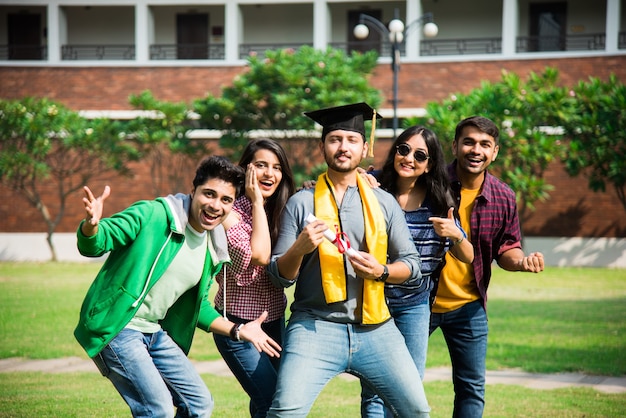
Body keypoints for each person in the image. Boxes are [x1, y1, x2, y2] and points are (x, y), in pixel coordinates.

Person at [74, 155, 282, 418]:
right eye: (209, 194)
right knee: (157, 409)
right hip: (118, 327)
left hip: (154, 331)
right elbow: (96, 243)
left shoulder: (213, 244)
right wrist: (91, 226)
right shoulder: (154, 214)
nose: (215, 206)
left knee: (199, 404)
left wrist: (238, 330)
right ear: (193, 190)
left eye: (225, 200)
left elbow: (200, 305)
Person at [265, 102, 430, 418]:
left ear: (364, 147)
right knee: (285, 411)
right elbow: (279, 275)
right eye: (335, 139)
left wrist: (382, 270)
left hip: (377, 328)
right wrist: (299, 248)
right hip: (315, 326)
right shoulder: (302, 204)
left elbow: (412, 265)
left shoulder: (384, 202)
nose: (343, 147)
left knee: (417, 410)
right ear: (322, 146)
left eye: (352, 140)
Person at [429, 116, 544, 417]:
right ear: (454, 146)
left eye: (484, 144)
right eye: (468, 142)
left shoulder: (503, 196)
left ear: (495, 152)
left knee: (471, 389)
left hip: (469, 306)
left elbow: (507, 247)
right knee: (400, 380)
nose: (475, 150)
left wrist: (521, 262)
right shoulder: (430, 182)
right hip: (419, 303)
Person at [360, 125, 475, 417]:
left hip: (414, 305)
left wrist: (456, 234)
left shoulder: (439, 199)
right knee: (373, 390)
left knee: (409, 385)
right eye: (403, 149)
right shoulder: (373, 187)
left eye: (420, 155)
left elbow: (468, 255)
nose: (409, 158)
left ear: (430, 165)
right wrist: (358, 177)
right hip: (375, 299)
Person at [213, 139, 295, 417]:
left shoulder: (283, 208)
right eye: (260, 165)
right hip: (237, 326)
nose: (269, 174)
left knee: (265, 397)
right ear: (245, 169)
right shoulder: (229, 211)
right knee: (272, 399)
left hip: (274, 322)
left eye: (277, 167)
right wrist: (257, 203)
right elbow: (259, 256)